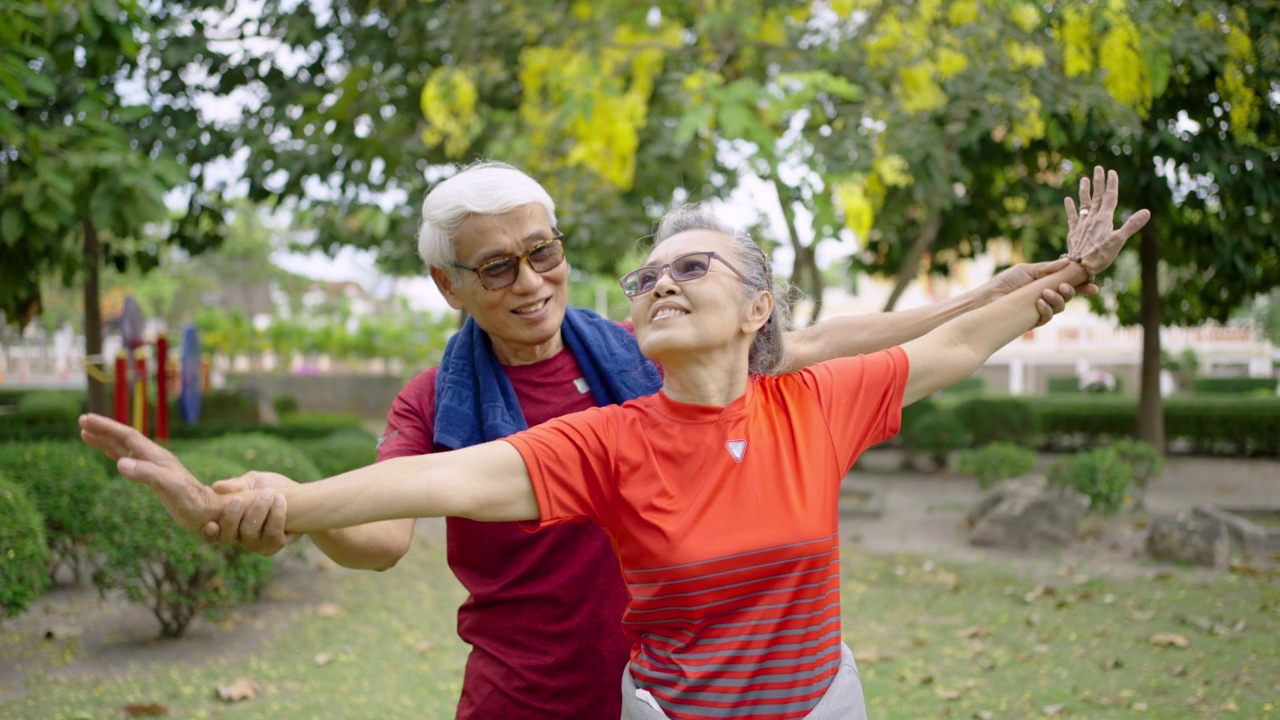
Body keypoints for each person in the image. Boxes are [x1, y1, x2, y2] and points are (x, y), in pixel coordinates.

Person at [81, 166, 1149, 720]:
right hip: (552, 693)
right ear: (450, 286)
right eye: (495, 268)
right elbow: (417, 495)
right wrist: (270, 505)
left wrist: (1034, 284)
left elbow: (875, 344)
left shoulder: (744, 385)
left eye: (543, 252)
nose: (533, 281)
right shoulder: (588, 432)